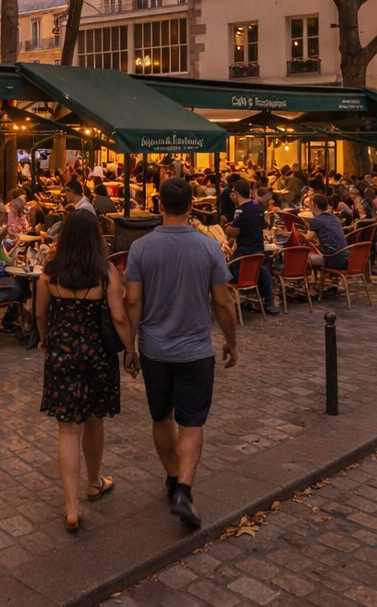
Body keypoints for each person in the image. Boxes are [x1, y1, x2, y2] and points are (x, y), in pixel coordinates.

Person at [123, 177, 238, 530]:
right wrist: (231, 340)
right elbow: (222, 302)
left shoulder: (141, 248)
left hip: (155, 349)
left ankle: (173, 477)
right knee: (192, 421)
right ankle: (184, 487)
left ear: (159, 205)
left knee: (161, 417)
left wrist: (129, 347)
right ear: (191, 206)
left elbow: (132, 301)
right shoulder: (208, 248)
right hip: (195, 350)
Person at [34, 211, 133, 532]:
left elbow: (39, 313)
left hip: (62, 353)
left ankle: (72, 508)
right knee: (94, 419)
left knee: (68, 430)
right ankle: (93, 482)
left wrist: (46, 339)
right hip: (97, 355)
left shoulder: (50, 272)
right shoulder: (105, 272)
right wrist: (131, 349)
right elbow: (118, 317)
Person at [222, 180, 278, 314]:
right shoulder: (257, 207)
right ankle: (269, 302)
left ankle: (222, 304)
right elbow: (263, 225)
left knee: (222, 270)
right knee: (263, 272)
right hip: (258, 249)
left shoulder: (240, 211)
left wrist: (227, 227)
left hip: (243, 253)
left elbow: (233, 232)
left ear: (236, 193)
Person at [305, 194, 349, 274]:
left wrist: (295, 233)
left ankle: (302, 280)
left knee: (303, 252)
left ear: (314, 204)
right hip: (346, 258)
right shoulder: (334, 218)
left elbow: (307, 238)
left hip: (332, 259)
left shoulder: (316, 221)